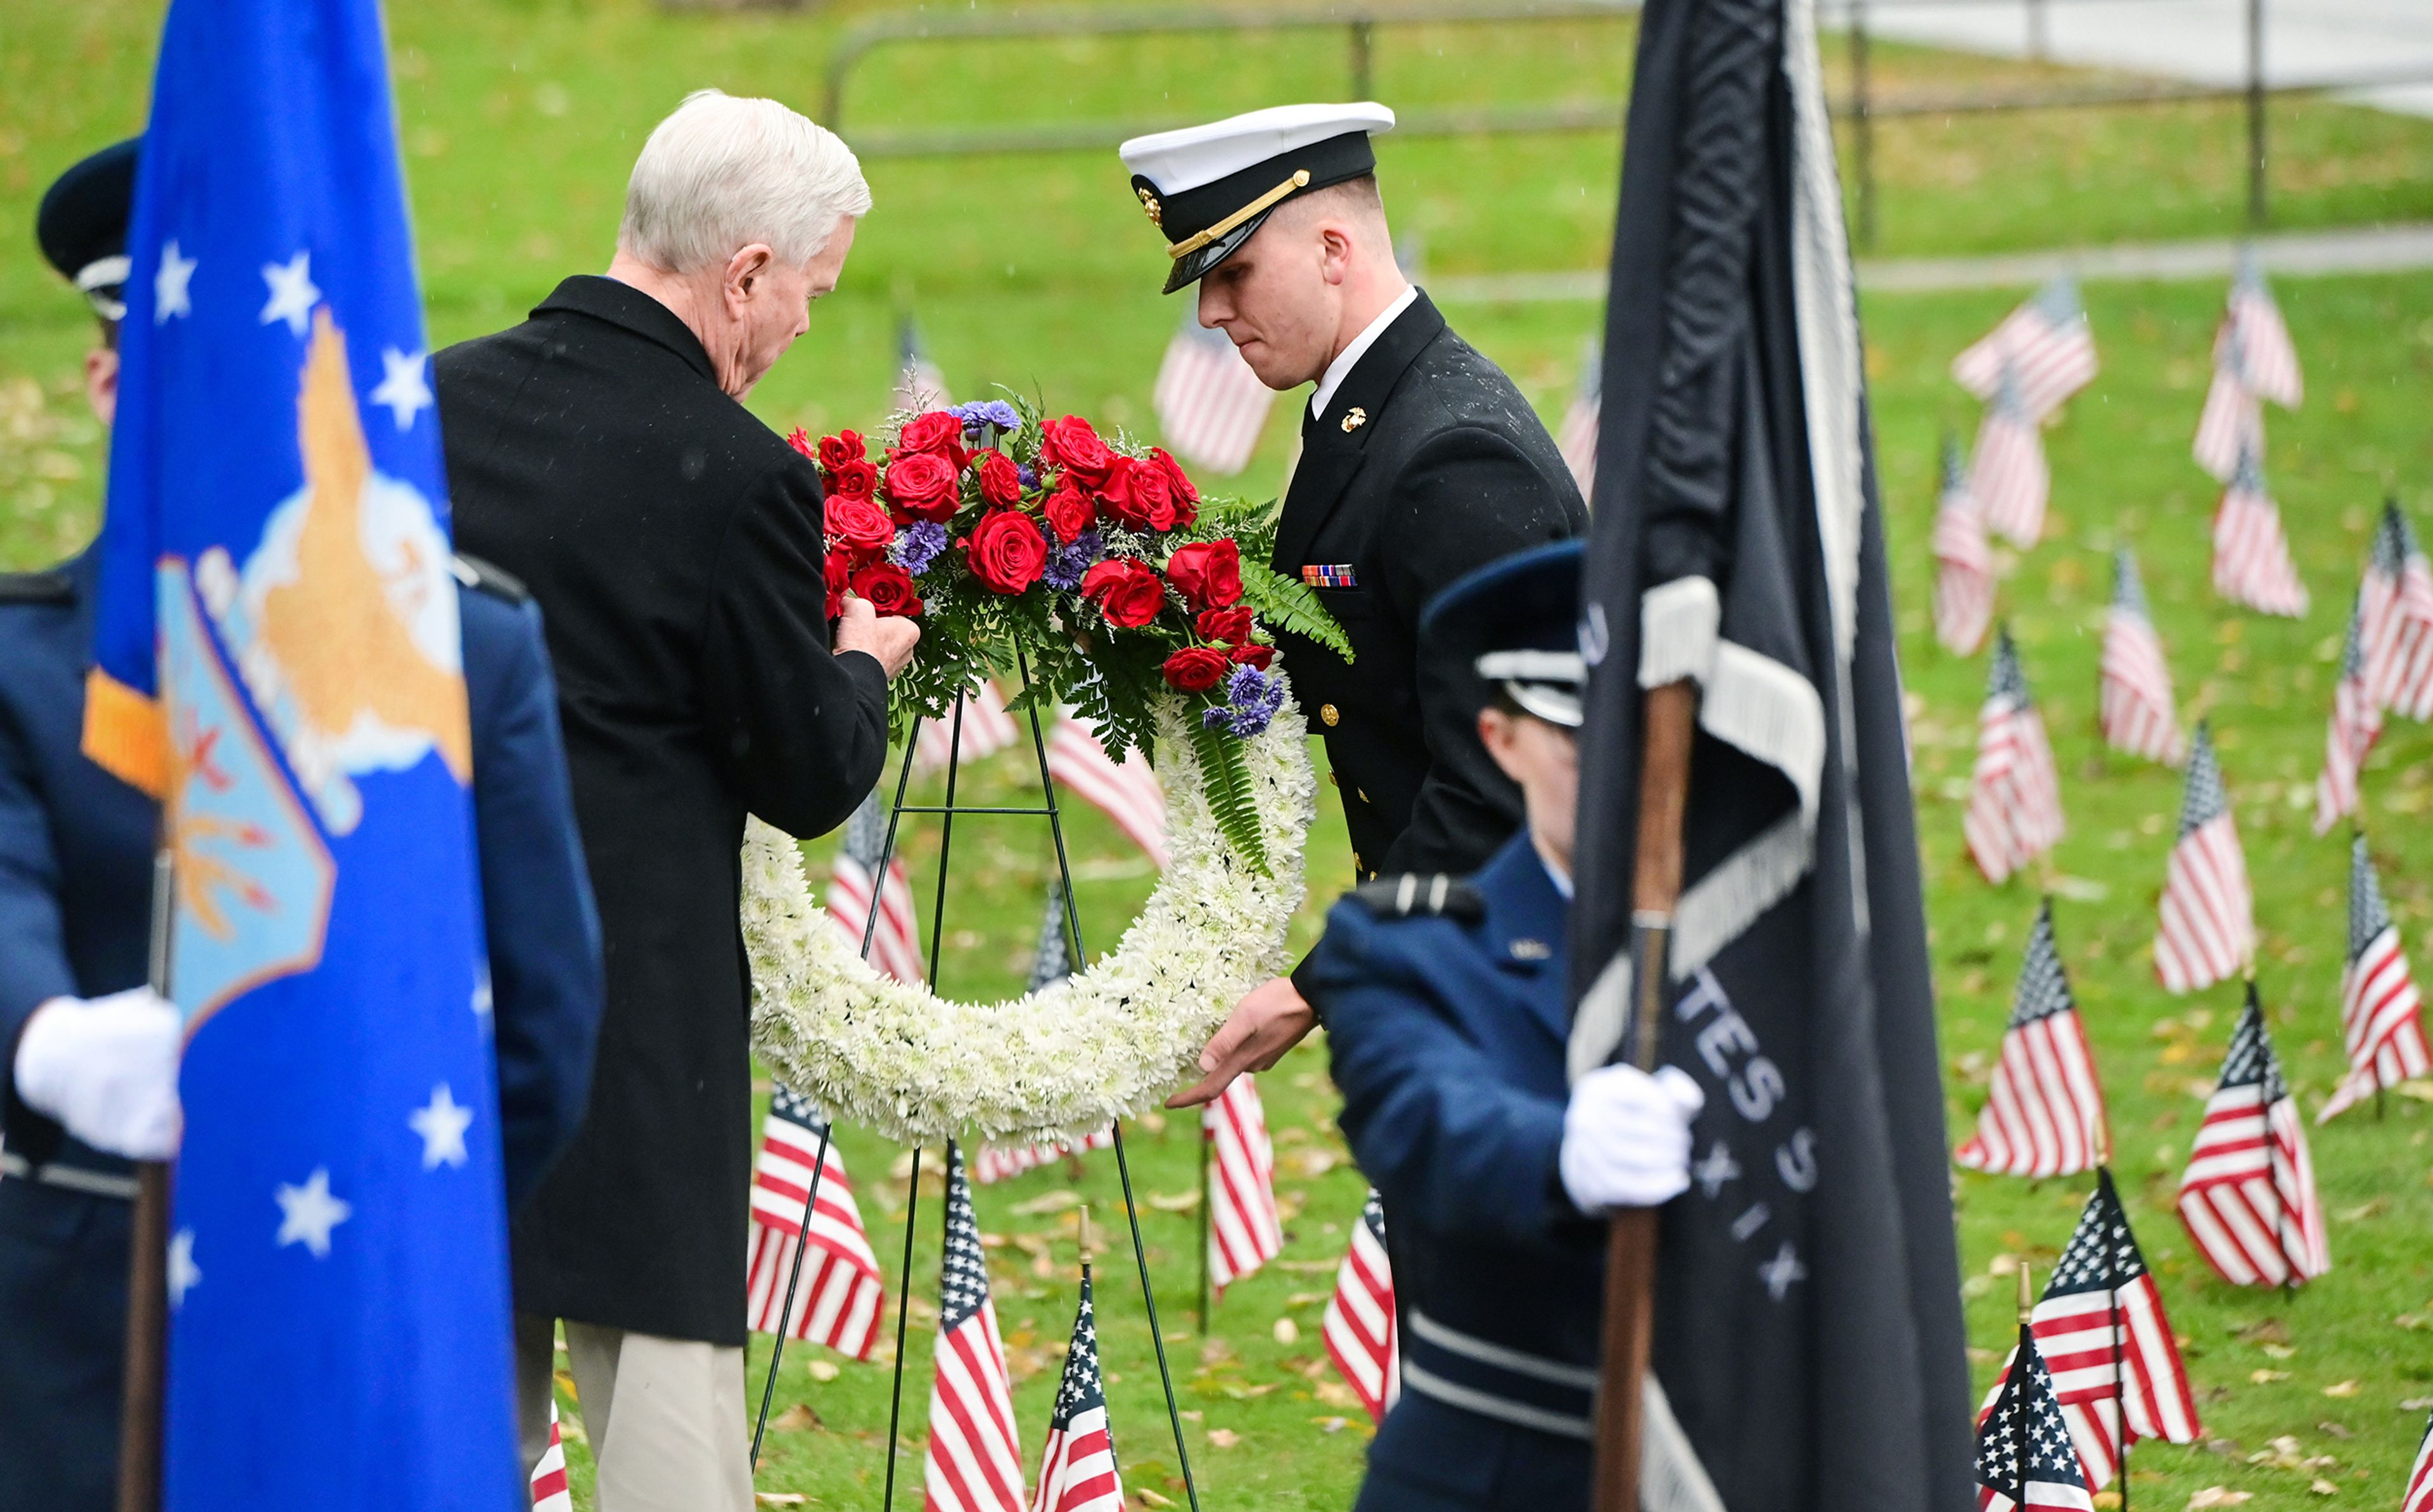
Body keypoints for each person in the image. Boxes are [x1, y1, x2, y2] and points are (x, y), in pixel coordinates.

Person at [0, 138, 606, 1512]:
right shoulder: (24, 666)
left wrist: (386, 1201)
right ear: (109, 381)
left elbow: (545, 1023)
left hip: (367, 1322)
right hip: (69, 1352)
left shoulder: (465, 652)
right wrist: (48, 1034)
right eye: (175, 363)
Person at [435, 89, 919, 1508]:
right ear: (746, 271)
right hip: (632, 1029)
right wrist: (862, 659)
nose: (802, 331)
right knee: (666, 1445)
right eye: (810, 295)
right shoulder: (740, 476)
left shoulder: (433, 404)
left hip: (439, 998)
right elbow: (805, 767)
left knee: (440, 1429)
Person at [1119, 103, 1589, 1108]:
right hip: (1461, 975)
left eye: (1234, 272)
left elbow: (1503, 788)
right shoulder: (1373, 408)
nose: (1210, 313)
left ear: (1333, 248)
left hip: (1514, 1001)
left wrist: (1311, 987)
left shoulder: (1452, 455)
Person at [1305, 541, 1704, 1511]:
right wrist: (1562, 1151)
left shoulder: (1757, 948)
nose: (1621, 779)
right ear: (1503, 738)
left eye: (1644, 740)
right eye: (1582, 741)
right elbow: (1424, 1120)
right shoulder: (1407, 949)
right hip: (1503, 1472)